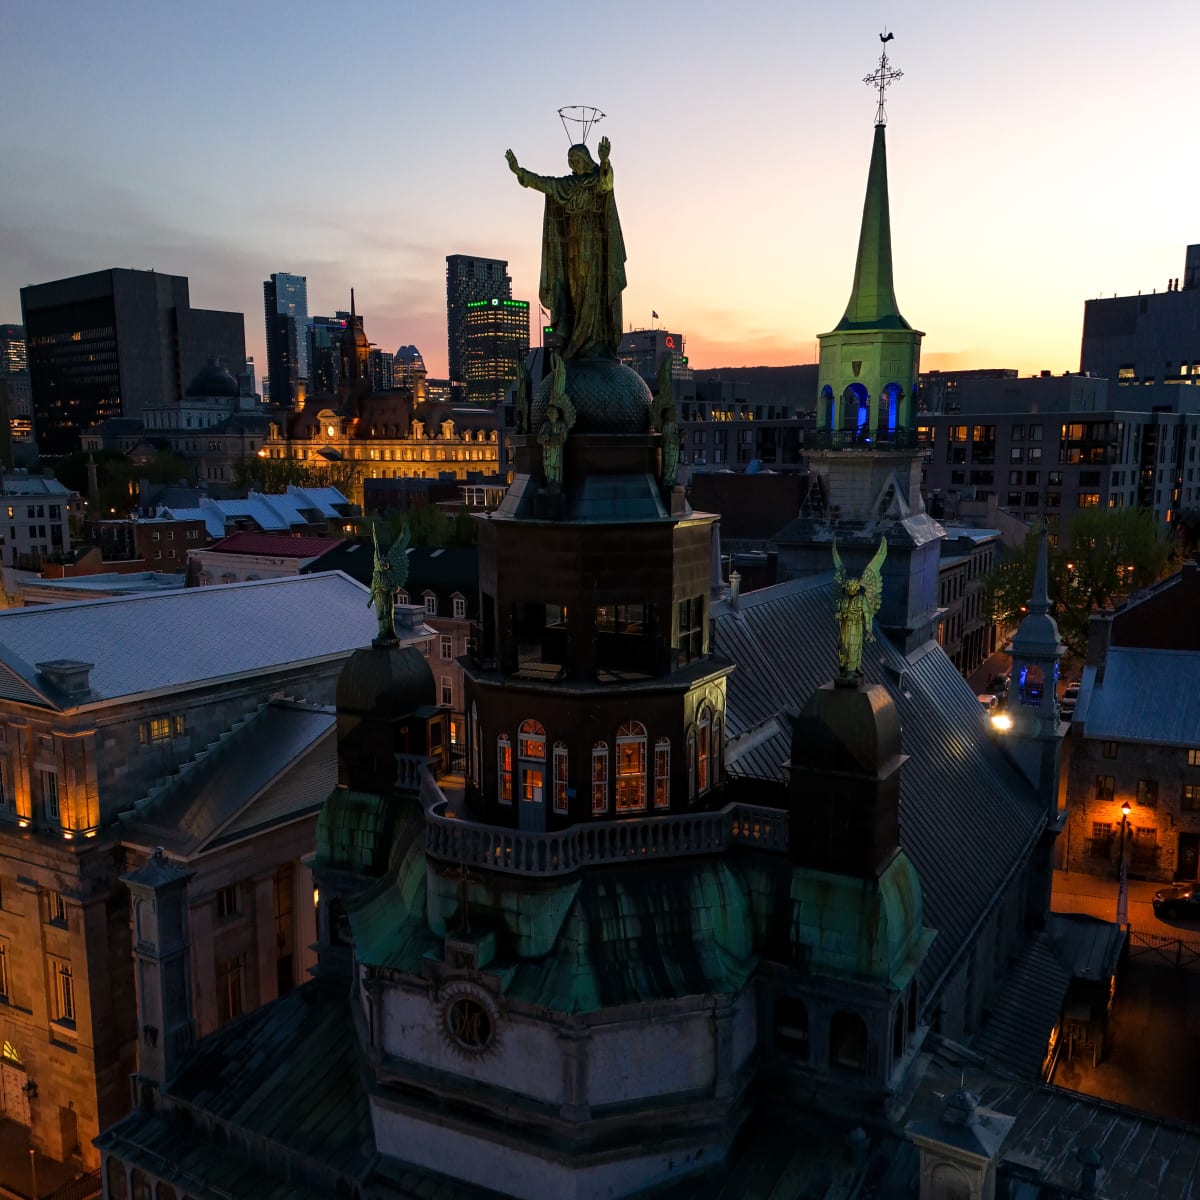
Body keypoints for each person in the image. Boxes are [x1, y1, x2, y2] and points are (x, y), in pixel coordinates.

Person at [506, 137, 626, 360]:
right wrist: (519, 171)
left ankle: (594, 340)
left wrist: (605, 160)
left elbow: (607, 183)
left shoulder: (596, 179)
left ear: (585, 159)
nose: (572, 164)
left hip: (595, 244)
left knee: (593, 291)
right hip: (571, 246)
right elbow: (543, 183)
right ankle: (576, 339)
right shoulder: (566, 185)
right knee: (574, 291)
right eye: (569, 160)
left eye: (575, 159)